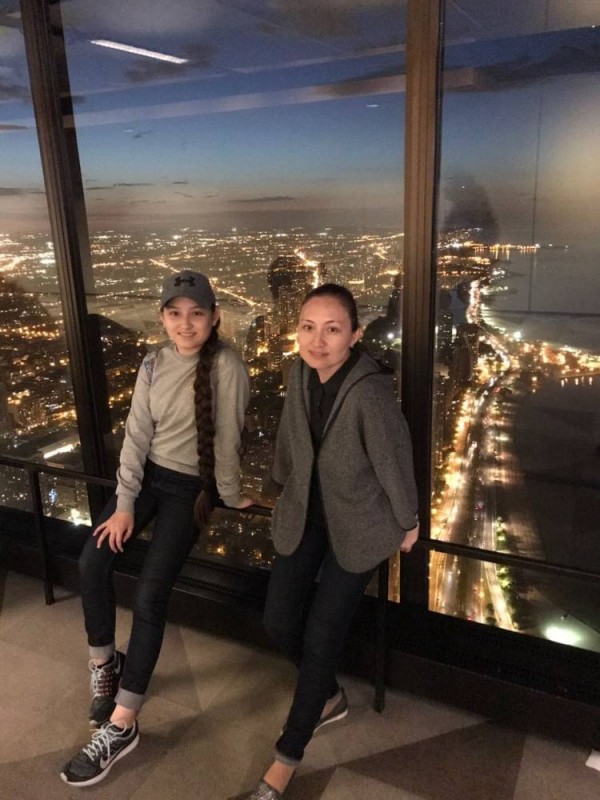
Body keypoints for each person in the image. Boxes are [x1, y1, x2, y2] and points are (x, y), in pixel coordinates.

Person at [61, 270, 253, 788]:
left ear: (214, 317)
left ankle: (123, 723)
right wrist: (124, 504)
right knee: (93, 560)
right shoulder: (153, 362)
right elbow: (136, 435)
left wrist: (231, 495)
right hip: (146, 478)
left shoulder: (228, 366)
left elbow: (228, 441)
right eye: (175, 314)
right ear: (162, 317)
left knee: (150, 595)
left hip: (190, 489)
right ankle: (105, 665)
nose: (185, 324)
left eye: (196, 313)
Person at [246, 283, 419, 799]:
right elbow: (290, 436)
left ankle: (286, 758)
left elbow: (394, 461)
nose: (317, 341)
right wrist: (276, 486)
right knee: (278, 619)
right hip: (307, 514)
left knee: (322, 636)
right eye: (308, 327)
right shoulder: (299, 372)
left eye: (332, 329)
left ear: (355, 335)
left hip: (360, 523)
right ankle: (324, 691)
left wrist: (408, 522)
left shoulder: (370, 393)